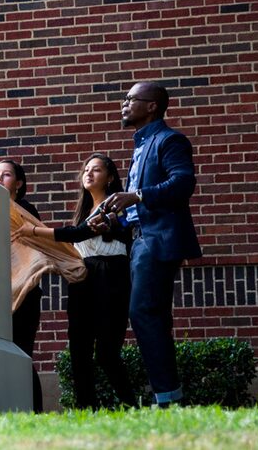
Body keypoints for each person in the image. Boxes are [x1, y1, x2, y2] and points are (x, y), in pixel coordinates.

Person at [98, 81, 201, 407]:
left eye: (131, 99)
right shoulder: (141, 145)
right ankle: (169, 397)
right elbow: (136, 210)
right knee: (152, 315)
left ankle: (169, 399)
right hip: (140, 241)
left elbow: (183, 183)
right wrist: (116, 221)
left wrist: (137, 195)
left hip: (158, 241)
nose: (124, 104)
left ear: (152, 105)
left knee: (142, 312)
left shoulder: (169, 140)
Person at [30, 155, 136, 409]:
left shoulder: (116, 207)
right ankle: (86, 409)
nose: (88, 173)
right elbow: (76, 242)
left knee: (107, 353)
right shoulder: (83, 210)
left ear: (110, 177)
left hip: (110, 275)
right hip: (83, 277)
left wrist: (33, 231)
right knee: (79, 349)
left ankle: (132, 405)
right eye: (86, 169)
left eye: (96, 170)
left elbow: (79, 233)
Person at [0, 159, 44, 413]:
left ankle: (34, 410)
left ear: (19, 183)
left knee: (22, 354)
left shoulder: (24, 210)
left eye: (7, 175)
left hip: (24, 293)